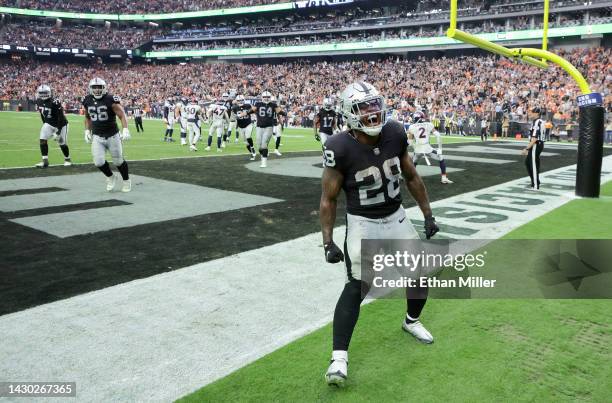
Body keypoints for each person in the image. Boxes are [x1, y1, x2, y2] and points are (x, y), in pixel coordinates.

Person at [320, 82, 440, 387]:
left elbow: (411, 176)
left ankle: (411, 322)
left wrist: (428, 214)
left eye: (375, 105)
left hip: (396, 215)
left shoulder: (396, 132)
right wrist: (327, 241)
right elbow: (329, 198)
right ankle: (338, 359)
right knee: (357, 286)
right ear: (349, 113)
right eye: (364, 108)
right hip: (363, 222)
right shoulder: (338, 146)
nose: (372, 113)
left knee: (420, 274)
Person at [83, 77, 131, 192]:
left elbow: (122, 114)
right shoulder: (87, 100)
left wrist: (125, 129)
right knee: (98, 162)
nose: (97, 90)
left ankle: (126, 181)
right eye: (94, 87)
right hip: (97, 136)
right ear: (90, 89)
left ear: (104, 88)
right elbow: (87, 116)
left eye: (99, 87)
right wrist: (87, 130)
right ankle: (111, 177)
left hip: (112, 135)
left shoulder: (110, 99)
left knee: (118, 161)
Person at [408, 111, 453, 184]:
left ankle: (410, 178)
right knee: (441, 157)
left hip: (418, 150)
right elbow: (438, 135)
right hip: (427, 149)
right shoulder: (428, 124)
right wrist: (439, 149)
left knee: (414, 162)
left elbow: (410, 142)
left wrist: (415, 147)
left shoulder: (412, 127)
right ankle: (444, 178)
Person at [34, 84, 71, 168]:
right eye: (41, 93)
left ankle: (67, 159)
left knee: (62, 143)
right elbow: (42, 114)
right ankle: (45, 161)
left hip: (61, 124)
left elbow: (61, 116)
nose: (43, 95)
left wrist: (58, 131)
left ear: (50, 92)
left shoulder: (55, 101)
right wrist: (45, 124)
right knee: (42, 139)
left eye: (45, 93)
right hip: (49, 123)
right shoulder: (38, 101)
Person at [251, 91, 282, 168]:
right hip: (259, 127)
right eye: (265, 97)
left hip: (269, 127)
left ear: (270, 97)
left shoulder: (273, 105)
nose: (266, 99)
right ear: (262, 97)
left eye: (268, 97)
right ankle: (264, 154)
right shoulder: (258, 104)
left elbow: (280, 111)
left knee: (264, 144)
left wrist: (286, 114)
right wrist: (245, 113)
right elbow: (252, 110)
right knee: (259, 145)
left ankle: (264, 161)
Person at [522, 107, 545, 190]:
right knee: (528, 163)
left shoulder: (537, 122)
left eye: (532, 112)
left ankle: (535, 185)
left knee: (533, 165)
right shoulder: (539, 121)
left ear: (537, 113)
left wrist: (527, 148)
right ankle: (535, 182)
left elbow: (534, 138)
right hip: (538, 144)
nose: (530, 113)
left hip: (536, 144)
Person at [235, 95, 256, 159]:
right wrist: (236, 125)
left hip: (248, 124)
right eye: (238, 101)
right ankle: (252, 153)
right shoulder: (235, 108)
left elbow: (254, 111)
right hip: (241, 127)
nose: (240, 102)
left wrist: (254, 119)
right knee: (246, 143)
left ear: (243, 100)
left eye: (241, 100)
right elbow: (235, 118)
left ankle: (252, 148)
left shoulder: (248, 105)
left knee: (248, 136)